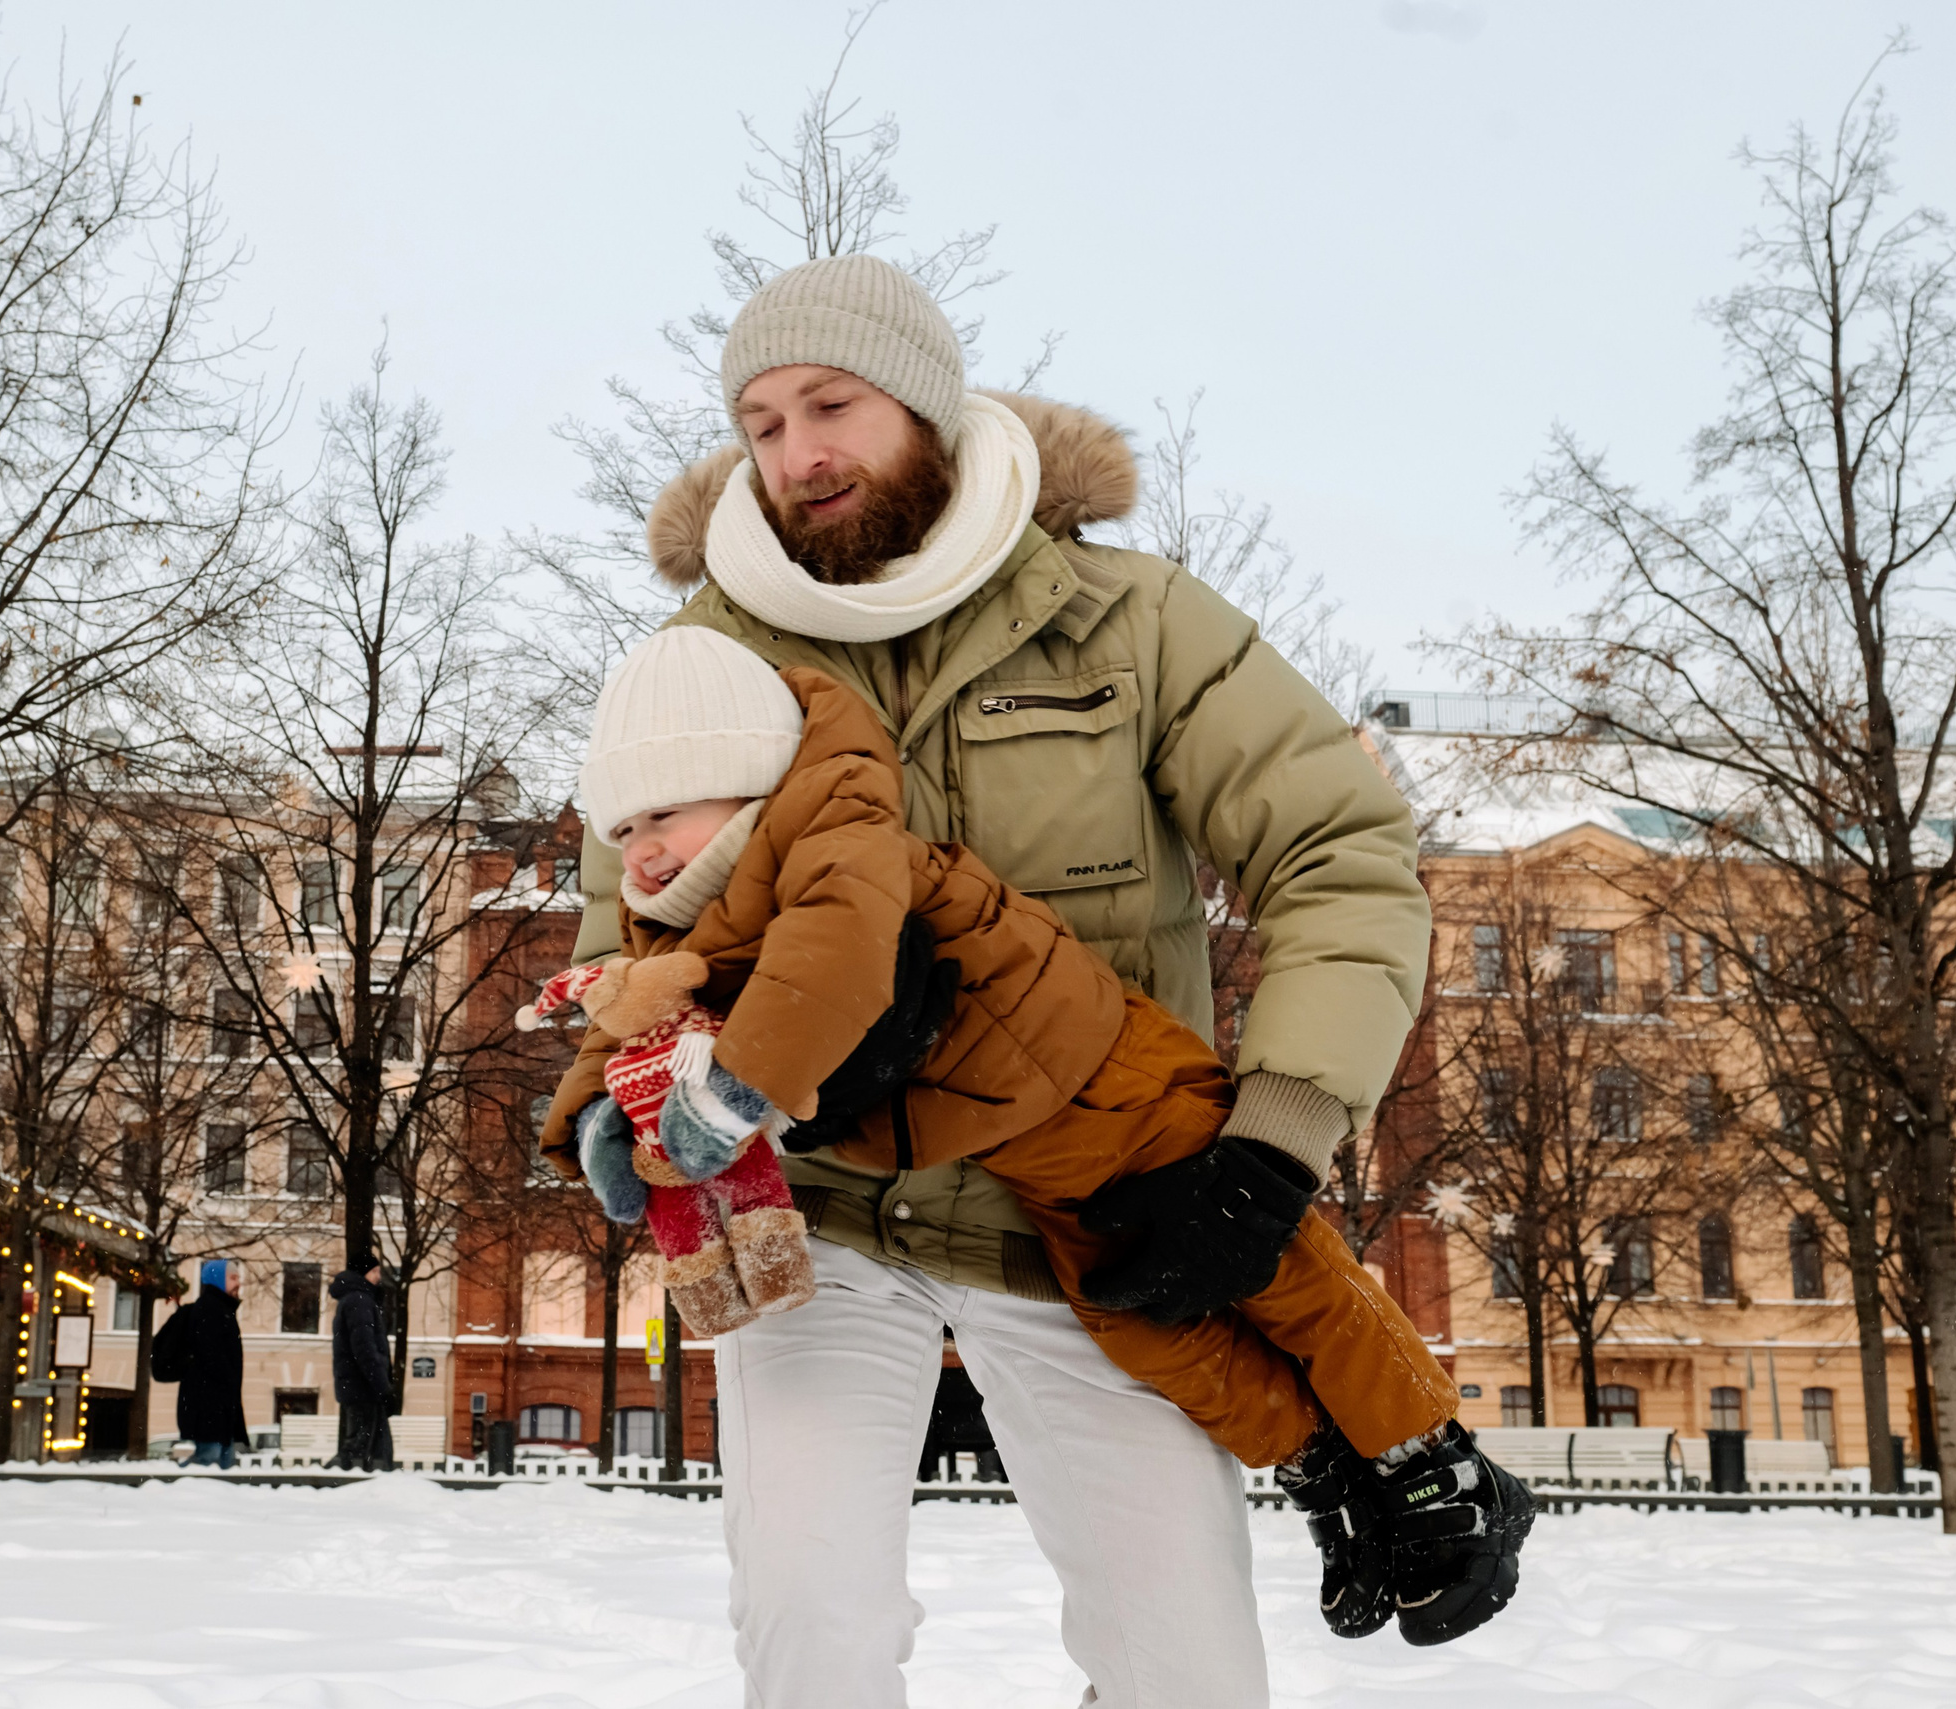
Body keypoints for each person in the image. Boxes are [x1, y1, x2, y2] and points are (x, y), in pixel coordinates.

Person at [563, 253, 1500, 1706]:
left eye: (833, 405)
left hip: (1089, 1202)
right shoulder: (704, 659)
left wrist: (1271, 1141)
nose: (797, 454)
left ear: (929, 409)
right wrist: (609, 1112)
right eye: (759, 422)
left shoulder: (1128, 621)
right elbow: (624, 926)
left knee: (1183, 1664)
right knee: (815, 1634)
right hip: (821, 1212)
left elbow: (1336, 851)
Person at [538, 633, 1515, 1596]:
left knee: (1280, 1271)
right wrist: (599, 1124)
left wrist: (729, 1090)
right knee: (1145, 1325)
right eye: (622, 828)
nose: (642, 847)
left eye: (664, 811)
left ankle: (1438, 1460)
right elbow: (629, 1008)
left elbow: (827, 959)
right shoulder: (677, 914)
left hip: (1114, 1082)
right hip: (1027, 1156)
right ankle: (1321, 1466)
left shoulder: (831, 837)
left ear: (742, 777)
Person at [151, 1258, 249, 1469]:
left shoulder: (221, 1311)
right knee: (208, 1467)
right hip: (210, 1411)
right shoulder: (210, 1311)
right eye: (232, 1278)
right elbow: (213, 1362)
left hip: (216, 1411)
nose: (238, 1283)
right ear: (217, 1280)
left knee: (217, 1470)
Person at [328, 1255, 395, 1472]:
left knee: (365, 1447)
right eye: (374, 1272)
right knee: (362, 1449)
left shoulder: (352, 1300)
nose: (378, 1277)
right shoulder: (360, 1301)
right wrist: (383, 1387)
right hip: (364, 1387)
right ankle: (330, 1483)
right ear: (362, 1274)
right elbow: (365, 1349)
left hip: (356, 1385)